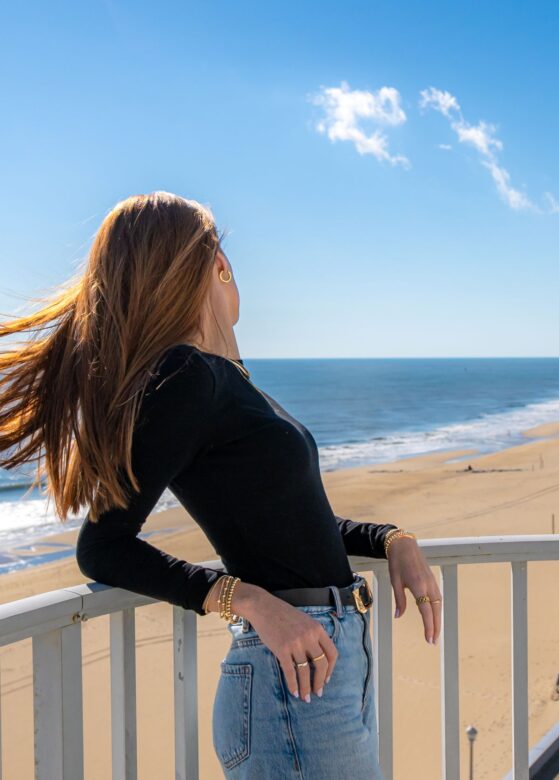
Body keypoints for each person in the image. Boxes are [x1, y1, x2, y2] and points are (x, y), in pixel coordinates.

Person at [0, 192, 443, 778]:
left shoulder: (224, 381)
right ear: (215, 264)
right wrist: (249, 600)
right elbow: (102, 546)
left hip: (326, 660)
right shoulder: (188, 377)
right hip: (294, 680)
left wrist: (391, 538)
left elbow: (291, 521)